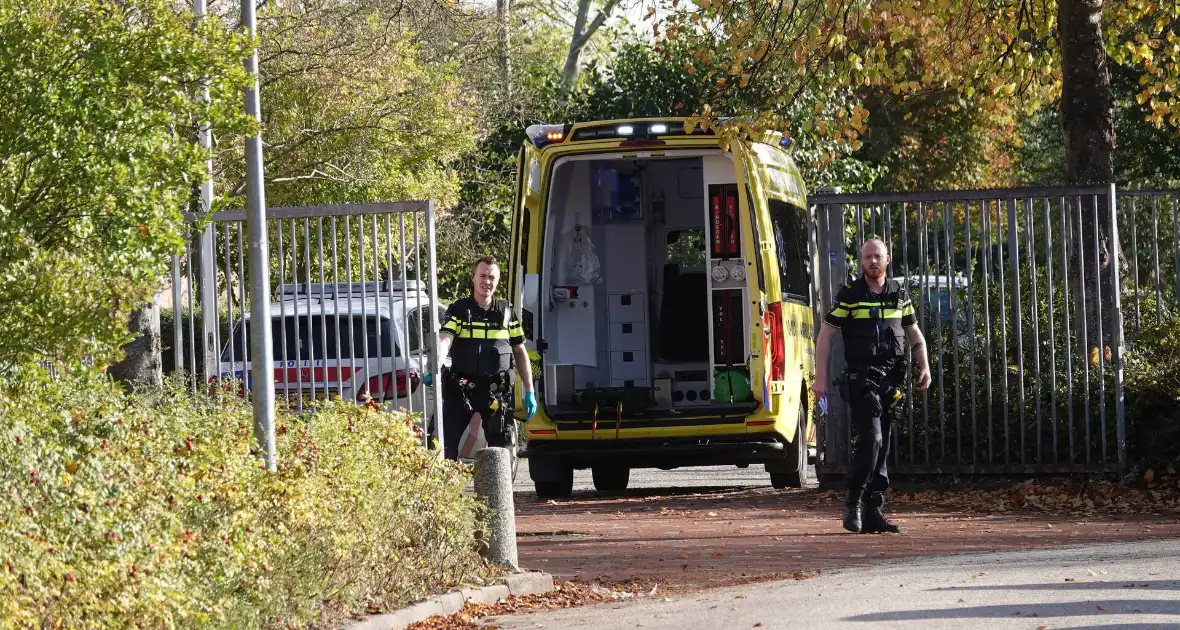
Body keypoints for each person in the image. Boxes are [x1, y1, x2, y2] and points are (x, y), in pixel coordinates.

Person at [813, 239, 931, 534]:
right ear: (861, 261)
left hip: (891, 382)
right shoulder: (851, 295)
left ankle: (873, 510)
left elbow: (913, 332)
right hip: (862, 380)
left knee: (884, 445)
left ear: (887, 259)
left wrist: (925, 365)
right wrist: (820, 379)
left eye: (877, 256)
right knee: (872, 440)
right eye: (867, 257)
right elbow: (826, 335)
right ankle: (852, 502)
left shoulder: (898, 294)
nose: (872, 261)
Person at [426, 255, 537, 460]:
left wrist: (529, 390)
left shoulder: (506, 312)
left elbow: (520, 351)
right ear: (473, 278)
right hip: (462, 386)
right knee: (443, 444)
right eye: (483, 275)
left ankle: (498, 491)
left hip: (496, 391)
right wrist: (435, 365)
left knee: (500, 451)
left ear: (497, 281)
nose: (487, 281)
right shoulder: (459, 310)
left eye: (492, 277)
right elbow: (445, 339)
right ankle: (443, 490)